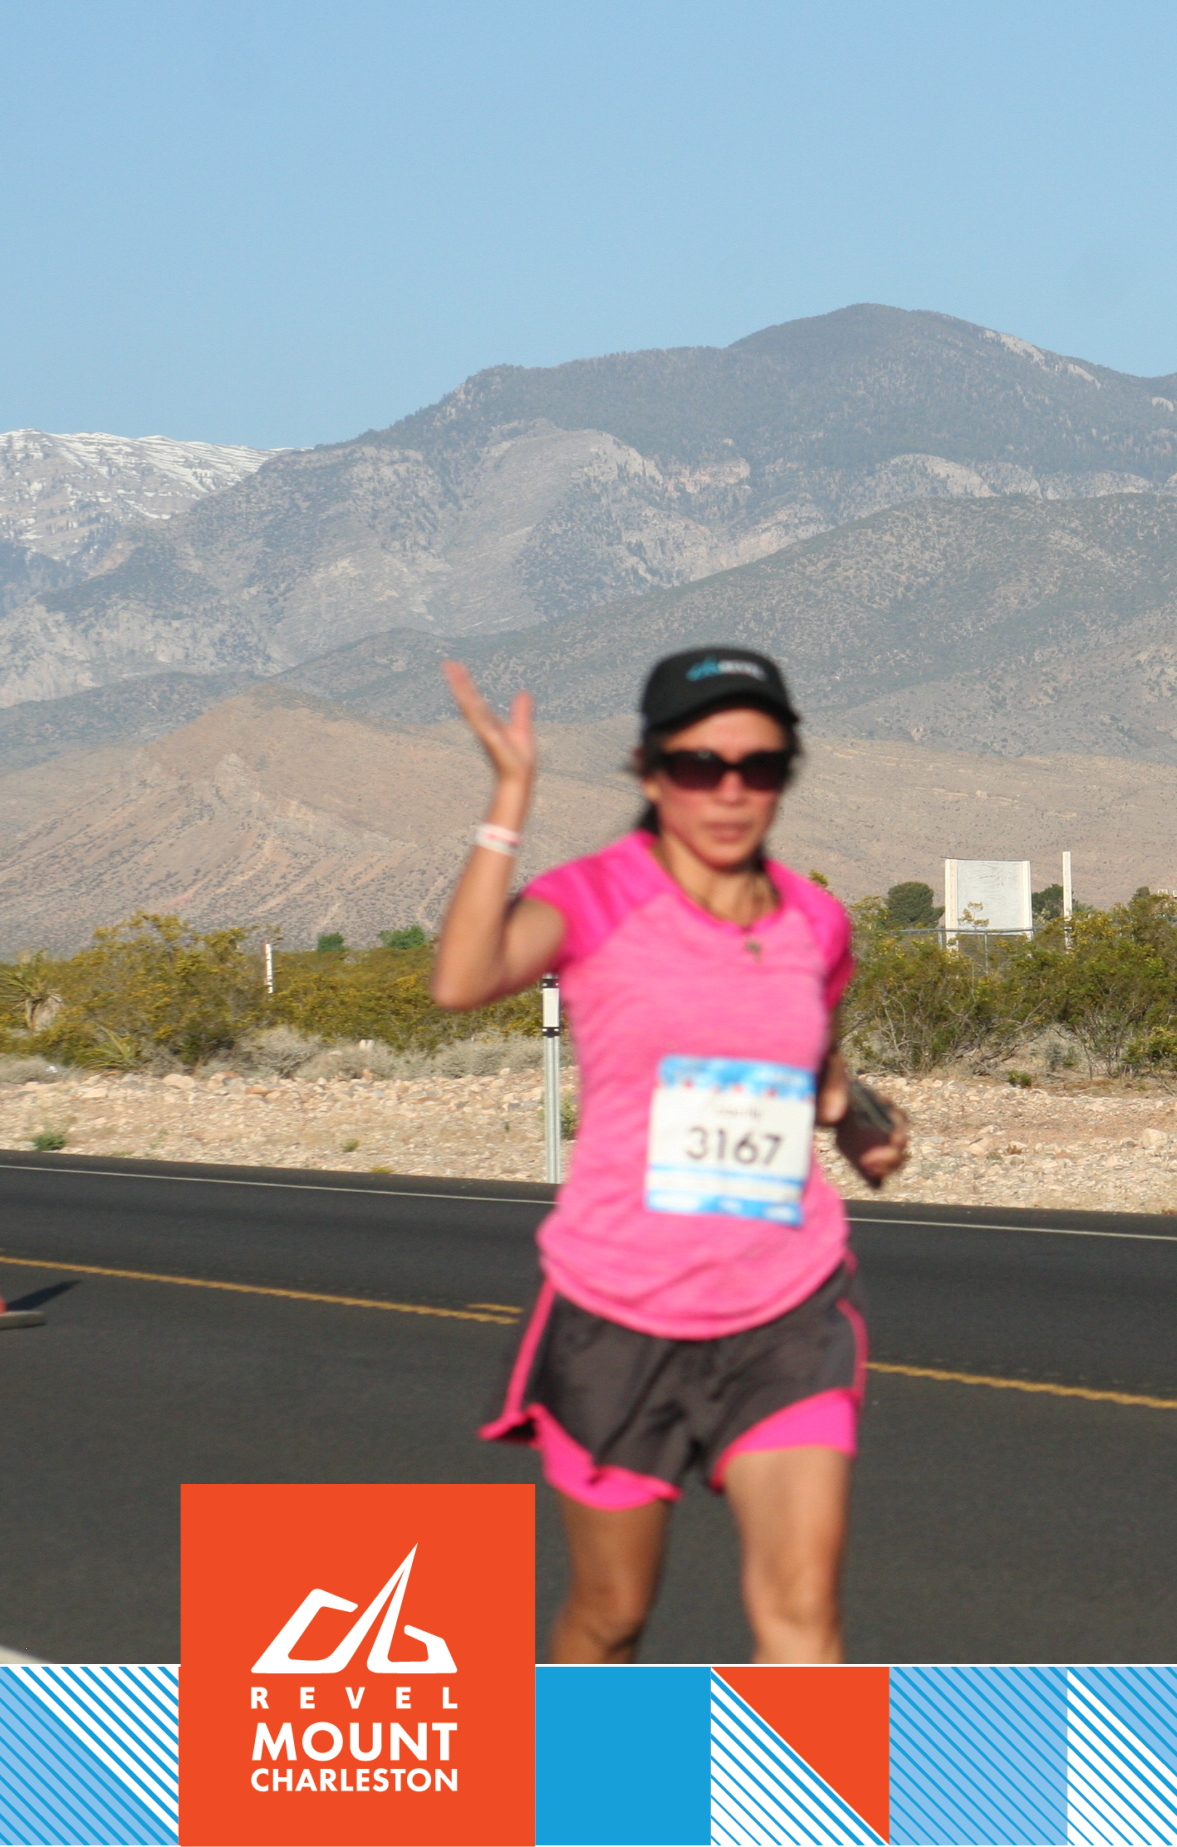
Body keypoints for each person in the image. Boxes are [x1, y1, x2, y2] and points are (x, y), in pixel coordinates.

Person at [430, 646, 907, 1664]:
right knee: (612, 1615)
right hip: (619, 1310)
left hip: (788, 1306)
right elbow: (463, 979)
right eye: (699, 764)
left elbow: (812, 1056)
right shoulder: (596, 895)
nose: (730, 791)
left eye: (759, 766)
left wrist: (859, 1117)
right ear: (651, 771)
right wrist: (508, 801)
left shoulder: (815, 920)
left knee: (803, 1613)